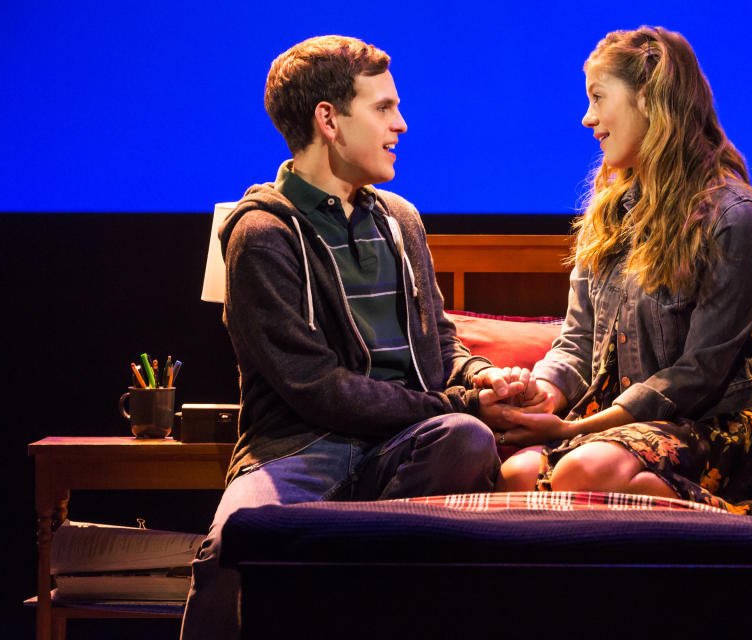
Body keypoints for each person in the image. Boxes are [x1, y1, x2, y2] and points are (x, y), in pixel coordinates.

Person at [181, 35, 529, 639]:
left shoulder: (401, 220)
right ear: (329, 121)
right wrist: (456, 402)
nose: (401, 123)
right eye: (382, 108)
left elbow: (439, 341)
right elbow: (318, 390)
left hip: (406, 441)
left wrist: (476, 377)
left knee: (467, 439)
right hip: (304, 448)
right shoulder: (262, 235)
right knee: (232, 544)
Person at [493, 26, 752, 540]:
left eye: (598, 98)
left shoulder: (733, 215)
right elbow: (577, 340)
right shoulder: (608, 214)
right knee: (516, 472)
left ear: (647, 99)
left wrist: (576, 430)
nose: (588, 118)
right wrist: (540, 393)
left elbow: (699, 374)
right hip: (617, 429)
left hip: (707, 426)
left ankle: (745, 520)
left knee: (585, 470)